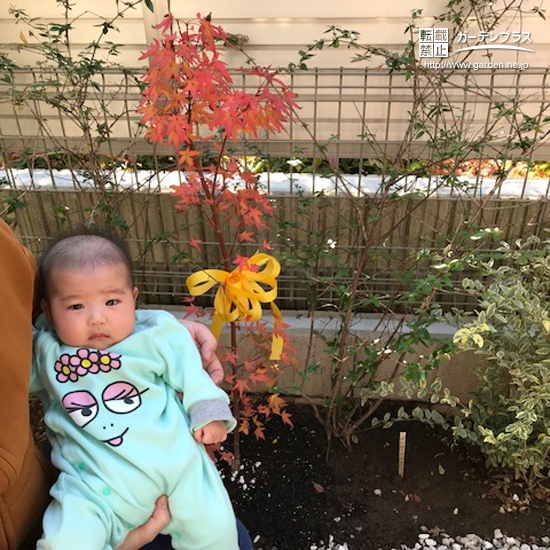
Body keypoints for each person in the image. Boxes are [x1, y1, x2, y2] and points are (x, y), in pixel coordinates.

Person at [0, 219, 250, 550]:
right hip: (93, 484)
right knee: (64, 541)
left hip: (177, 469)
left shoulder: (157, 333)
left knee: (218, 534)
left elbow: (192, 374)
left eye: (112, 302)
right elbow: (12, 361)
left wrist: (209, 413)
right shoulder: (46, 352)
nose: (97, 318)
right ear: (47, 310)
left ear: (134, 298)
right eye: (76, 306)